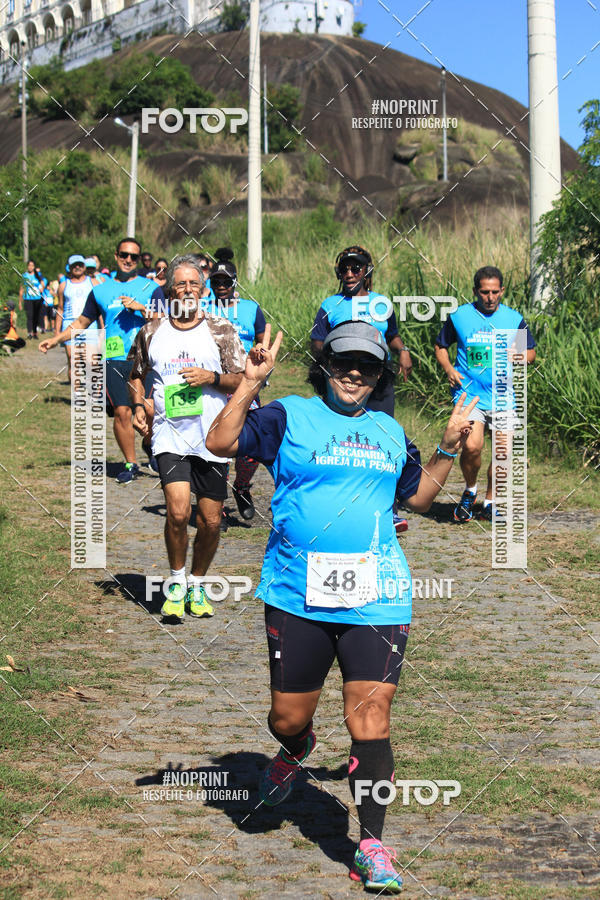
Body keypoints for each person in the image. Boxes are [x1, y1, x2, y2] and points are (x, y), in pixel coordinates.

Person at [206, 320, 478, 894]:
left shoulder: (387, 429)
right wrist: (250, 383)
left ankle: (373, 846)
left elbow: (418, 497)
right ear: (325, 365)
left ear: (379, 376)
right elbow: (221, 444)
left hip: (377, 595)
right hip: (296, 593)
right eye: (344, 362)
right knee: (288, 718)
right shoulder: (289, 417)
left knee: (370, 718)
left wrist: (448, 448)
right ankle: (297, 749)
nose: (355, 373)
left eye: (368, 366)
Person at [128, 255, 246, 621]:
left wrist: (211, 378)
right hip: (169, 434)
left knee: (210, 520)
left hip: (212, 437)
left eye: (194, 283)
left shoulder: (221, 329)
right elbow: (135, 372)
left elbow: (243, 379)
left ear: (204, 289)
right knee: (178, 512)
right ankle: (176, 582)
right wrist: (139, 403)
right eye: (180, 284)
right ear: (169, 290)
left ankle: (197, 584)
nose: (187, 289)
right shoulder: (151, 331)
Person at [39, 238, 165, 483]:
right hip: (114, 358)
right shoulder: (99, 290)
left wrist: (141, 308)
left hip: (146, 356)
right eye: (124, 255)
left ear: (138, 261)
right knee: (122, 412)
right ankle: (131, 463)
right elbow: (81, 323)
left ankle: (149, 443)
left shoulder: (151, 288)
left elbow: (165, 319)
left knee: (150, 410)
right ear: (116, 255)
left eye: (134, 257)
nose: (128, 260)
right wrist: (55, 340)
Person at [312, 245, 413, 534]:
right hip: (342, 380)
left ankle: (388, 507)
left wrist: (402, 350)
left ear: (367, 271)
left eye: (356, 267)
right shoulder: (330, 305)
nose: (349, 273)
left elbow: (391, 335)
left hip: (377, 378)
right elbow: (318, 341)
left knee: (382, 435)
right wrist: (326, 368)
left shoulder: (382, 303)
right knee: (339, 437)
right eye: (344, 268)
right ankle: (335, 499)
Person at [434, 265, 536, 522]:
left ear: (502, 291)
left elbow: (531, 353)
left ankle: (490, 502)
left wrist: (519, 355)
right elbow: (440, 346)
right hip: (470, 395)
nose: (490, 297)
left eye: (494, 292)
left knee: (503, 453)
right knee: (472, 446)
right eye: (484, 292)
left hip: (503, 396)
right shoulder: (460, 316)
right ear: (475, 291)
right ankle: (470, 491)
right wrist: (448, 368)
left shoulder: (513, 319)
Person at [204, 251, 266, 520]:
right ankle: (216, 503)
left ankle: (241, 487)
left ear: (235, 282)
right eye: (216, 282)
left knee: (250, 444)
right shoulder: (202, 309)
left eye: (226, 282)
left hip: (245, 384)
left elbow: (262, 337)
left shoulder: (251, 309)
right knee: (218, 445)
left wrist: (262, 358)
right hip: (214, 384)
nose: (221, 287)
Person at [55, 254, 99, 383]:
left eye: (80, 264)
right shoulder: (63, 285)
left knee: (92, 361)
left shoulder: (94, 283)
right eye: (74, 265)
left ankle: (93, 394)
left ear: (84, 266)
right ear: (69, 267)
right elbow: (60, 309)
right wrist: (57, 331)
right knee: (73, 360)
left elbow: (100, 308)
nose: (77, 267)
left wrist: (103, 328)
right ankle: (77, 395)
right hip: (69, 324)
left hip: (90, 324)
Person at [19, 260, 46, 339]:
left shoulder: (38, 275)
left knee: (36, 316)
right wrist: (20, 302)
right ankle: (29, 333)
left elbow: (43, 284)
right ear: (27, 266)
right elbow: (21, 289)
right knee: (29, 316)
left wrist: (42, 288)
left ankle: (35, 333)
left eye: (32, 265)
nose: (30, 267)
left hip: (37, 299)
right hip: (28, 299)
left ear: (34, 267)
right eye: (29, 265)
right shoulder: (24, 276)